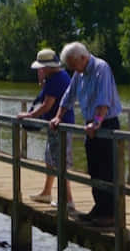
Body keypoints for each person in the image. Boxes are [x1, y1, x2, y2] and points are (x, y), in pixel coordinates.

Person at [49, 42, 122, 228]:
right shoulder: (79, 73)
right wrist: (58, 117)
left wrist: (97, 122)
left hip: (106, 124)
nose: (73, 69)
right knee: (94, 169)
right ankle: (99, 208)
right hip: (91, 125)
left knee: (106, 171)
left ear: (83, 58)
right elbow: (68, 96)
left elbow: (103, 99)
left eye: (74, 65)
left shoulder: (101, 68)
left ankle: (110, 214)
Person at [17, 48, 74, 209]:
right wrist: (42, 80)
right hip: (55, 126)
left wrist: (29, 116)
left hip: (60, 126)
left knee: (60, 163)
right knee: (50, 160)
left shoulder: (56, 79)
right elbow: (46, 98)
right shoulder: (58, 76)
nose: (40, 70)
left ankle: (68, 201)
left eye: (41, 68)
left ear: (48, 66)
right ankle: (47, 193)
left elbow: (46, 105)